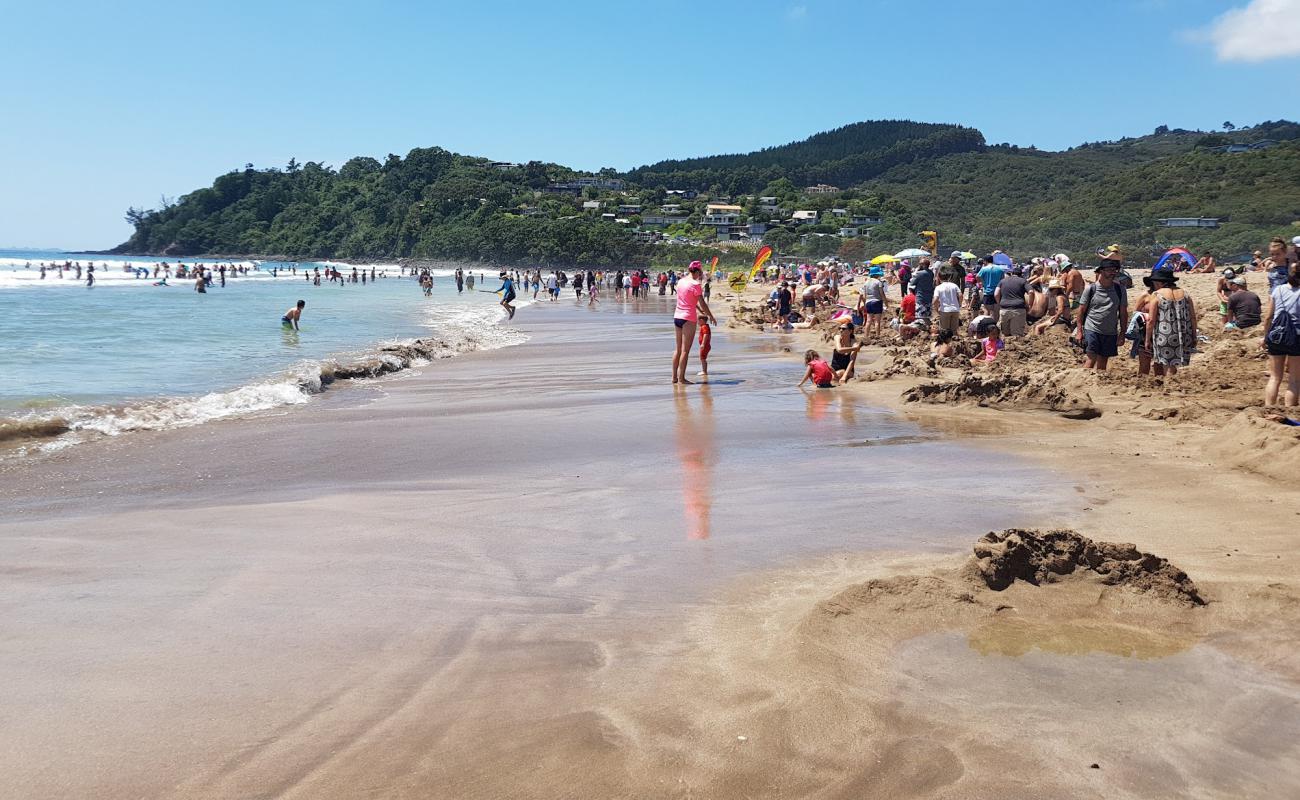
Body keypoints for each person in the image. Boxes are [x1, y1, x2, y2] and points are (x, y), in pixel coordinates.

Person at [1075, 259, 1128, 370]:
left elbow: (1123, 313)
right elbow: (1081, 311)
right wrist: (1079, 331)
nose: (1113, 272)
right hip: (1092, 328)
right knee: (1091, 359)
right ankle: (1084, 384)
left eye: (1115, 270)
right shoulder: (1091, 289)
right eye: (1109, 270)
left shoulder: (1120, 290)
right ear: (1101, 271)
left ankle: (1098, 385)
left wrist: (1122, 333)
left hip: (1110, 331)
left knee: (1103, 362)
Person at [1262, 258, 1300, 406]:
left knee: (1275, 377)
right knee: (1294, 380)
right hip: (1296, 336)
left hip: (1277, 335)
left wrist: (1265, 337)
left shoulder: (1278, 290)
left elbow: (1268, 317)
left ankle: (1268, 409)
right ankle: (1289, 412)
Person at [1144, 268, 1197, 376]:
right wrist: (1194, 335)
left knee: (1166, 365)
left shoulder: (1157, 294)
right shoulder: (1185, 294)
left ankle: (1169, 387)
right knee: (1174, 365)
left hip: (1165, 334)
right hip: (1184, 334)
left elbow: (1151, 320)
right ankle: (1172, 383)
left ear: (1159, 282)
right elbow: (1193, 317)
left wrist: (1147, 339)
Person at [672, 262, 717, 384]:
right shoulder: (695, 284)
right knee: (685, 350)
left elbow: (687, 299)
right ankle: (681, 378)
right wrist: (711, 316)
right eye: (700, 273)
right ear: (697, 272)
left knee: (678, 349)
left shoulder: (681, 281)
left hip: (677, 316)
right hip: (688, 318)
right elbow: (702, 303)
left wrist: (698, 309)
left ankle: (674, 378)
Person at [995, 265, 1029, 337]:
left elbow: (996, 294)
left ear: (1012, 273)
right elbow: (1031, 292)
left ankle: (1005, 347)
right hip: (1018, 309)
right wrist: (1029, 305)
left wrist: (999, 303)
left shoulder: (1002, 281)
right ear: (1021, 275)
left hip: (1004, 309)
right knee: (1016, 335)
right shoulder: (1023, 281)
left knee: (1005, 334)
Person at [858, 267, 889, 338]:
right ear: (876, 274)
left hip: (868, 302)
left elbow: (865, 295)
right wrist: (886, 303)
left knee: (868, 321)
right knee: (877, 321)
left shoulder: (866, 283)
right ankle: (878, 336)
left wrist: (865, 304)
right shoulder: (878, 282)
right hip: (877, 301)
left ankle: (866, 336)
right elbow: (882, 293)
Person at [976, 256, 1007, 320]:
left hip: (987, 292)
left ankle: (986, 326)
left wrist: (982, 283)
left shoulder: (984, 269)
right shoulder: (1000, 269)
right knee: (996, 312)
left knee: (987, 311)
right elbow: (1003, 280)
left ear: (985, 261)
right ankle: (994, 326)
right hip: (998, 292)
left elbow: (977, 277)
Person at [933, 270, 962, 335]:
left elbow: (935, 300)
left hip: (945, 310)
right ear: (948, 278)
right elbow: (960, 295)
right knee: (954, 330)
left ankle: (946, 344)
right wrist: (959, 304)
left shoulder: (938, 287)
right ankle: (954, 343)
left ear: (939, 278)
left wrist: (936, 309)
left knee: (944, 331)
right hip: (955, 310)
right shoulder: (954, 285)